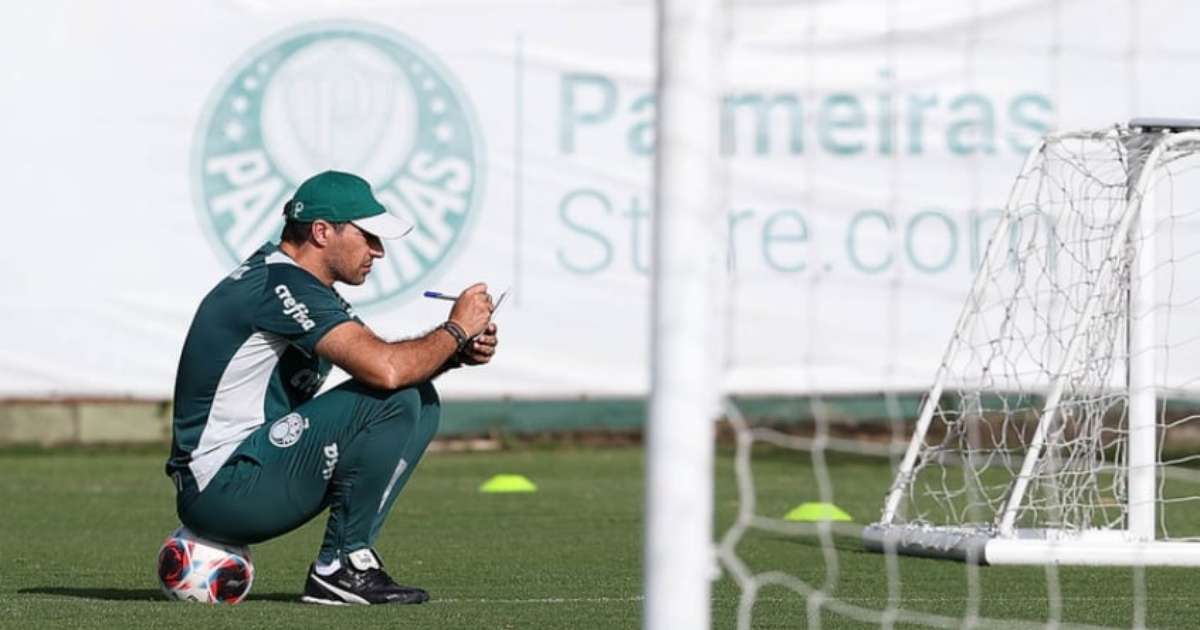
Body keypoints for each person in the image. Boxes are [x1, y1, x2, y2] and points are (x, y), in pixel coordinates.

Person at [165, 170, 498, 605]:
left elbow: (393, 367)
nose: (378, 250)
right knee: (395, 394)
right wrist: (456, 329)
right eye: (368, 236)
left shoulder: (295, 284)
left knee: (419, 398)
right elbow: (386, 370)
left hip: (250, 475)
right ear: (321, 232)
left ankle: (352, 557)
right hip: (223, 488)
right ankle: (339, 565)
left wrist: (454, 352)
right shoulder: (279, 284)